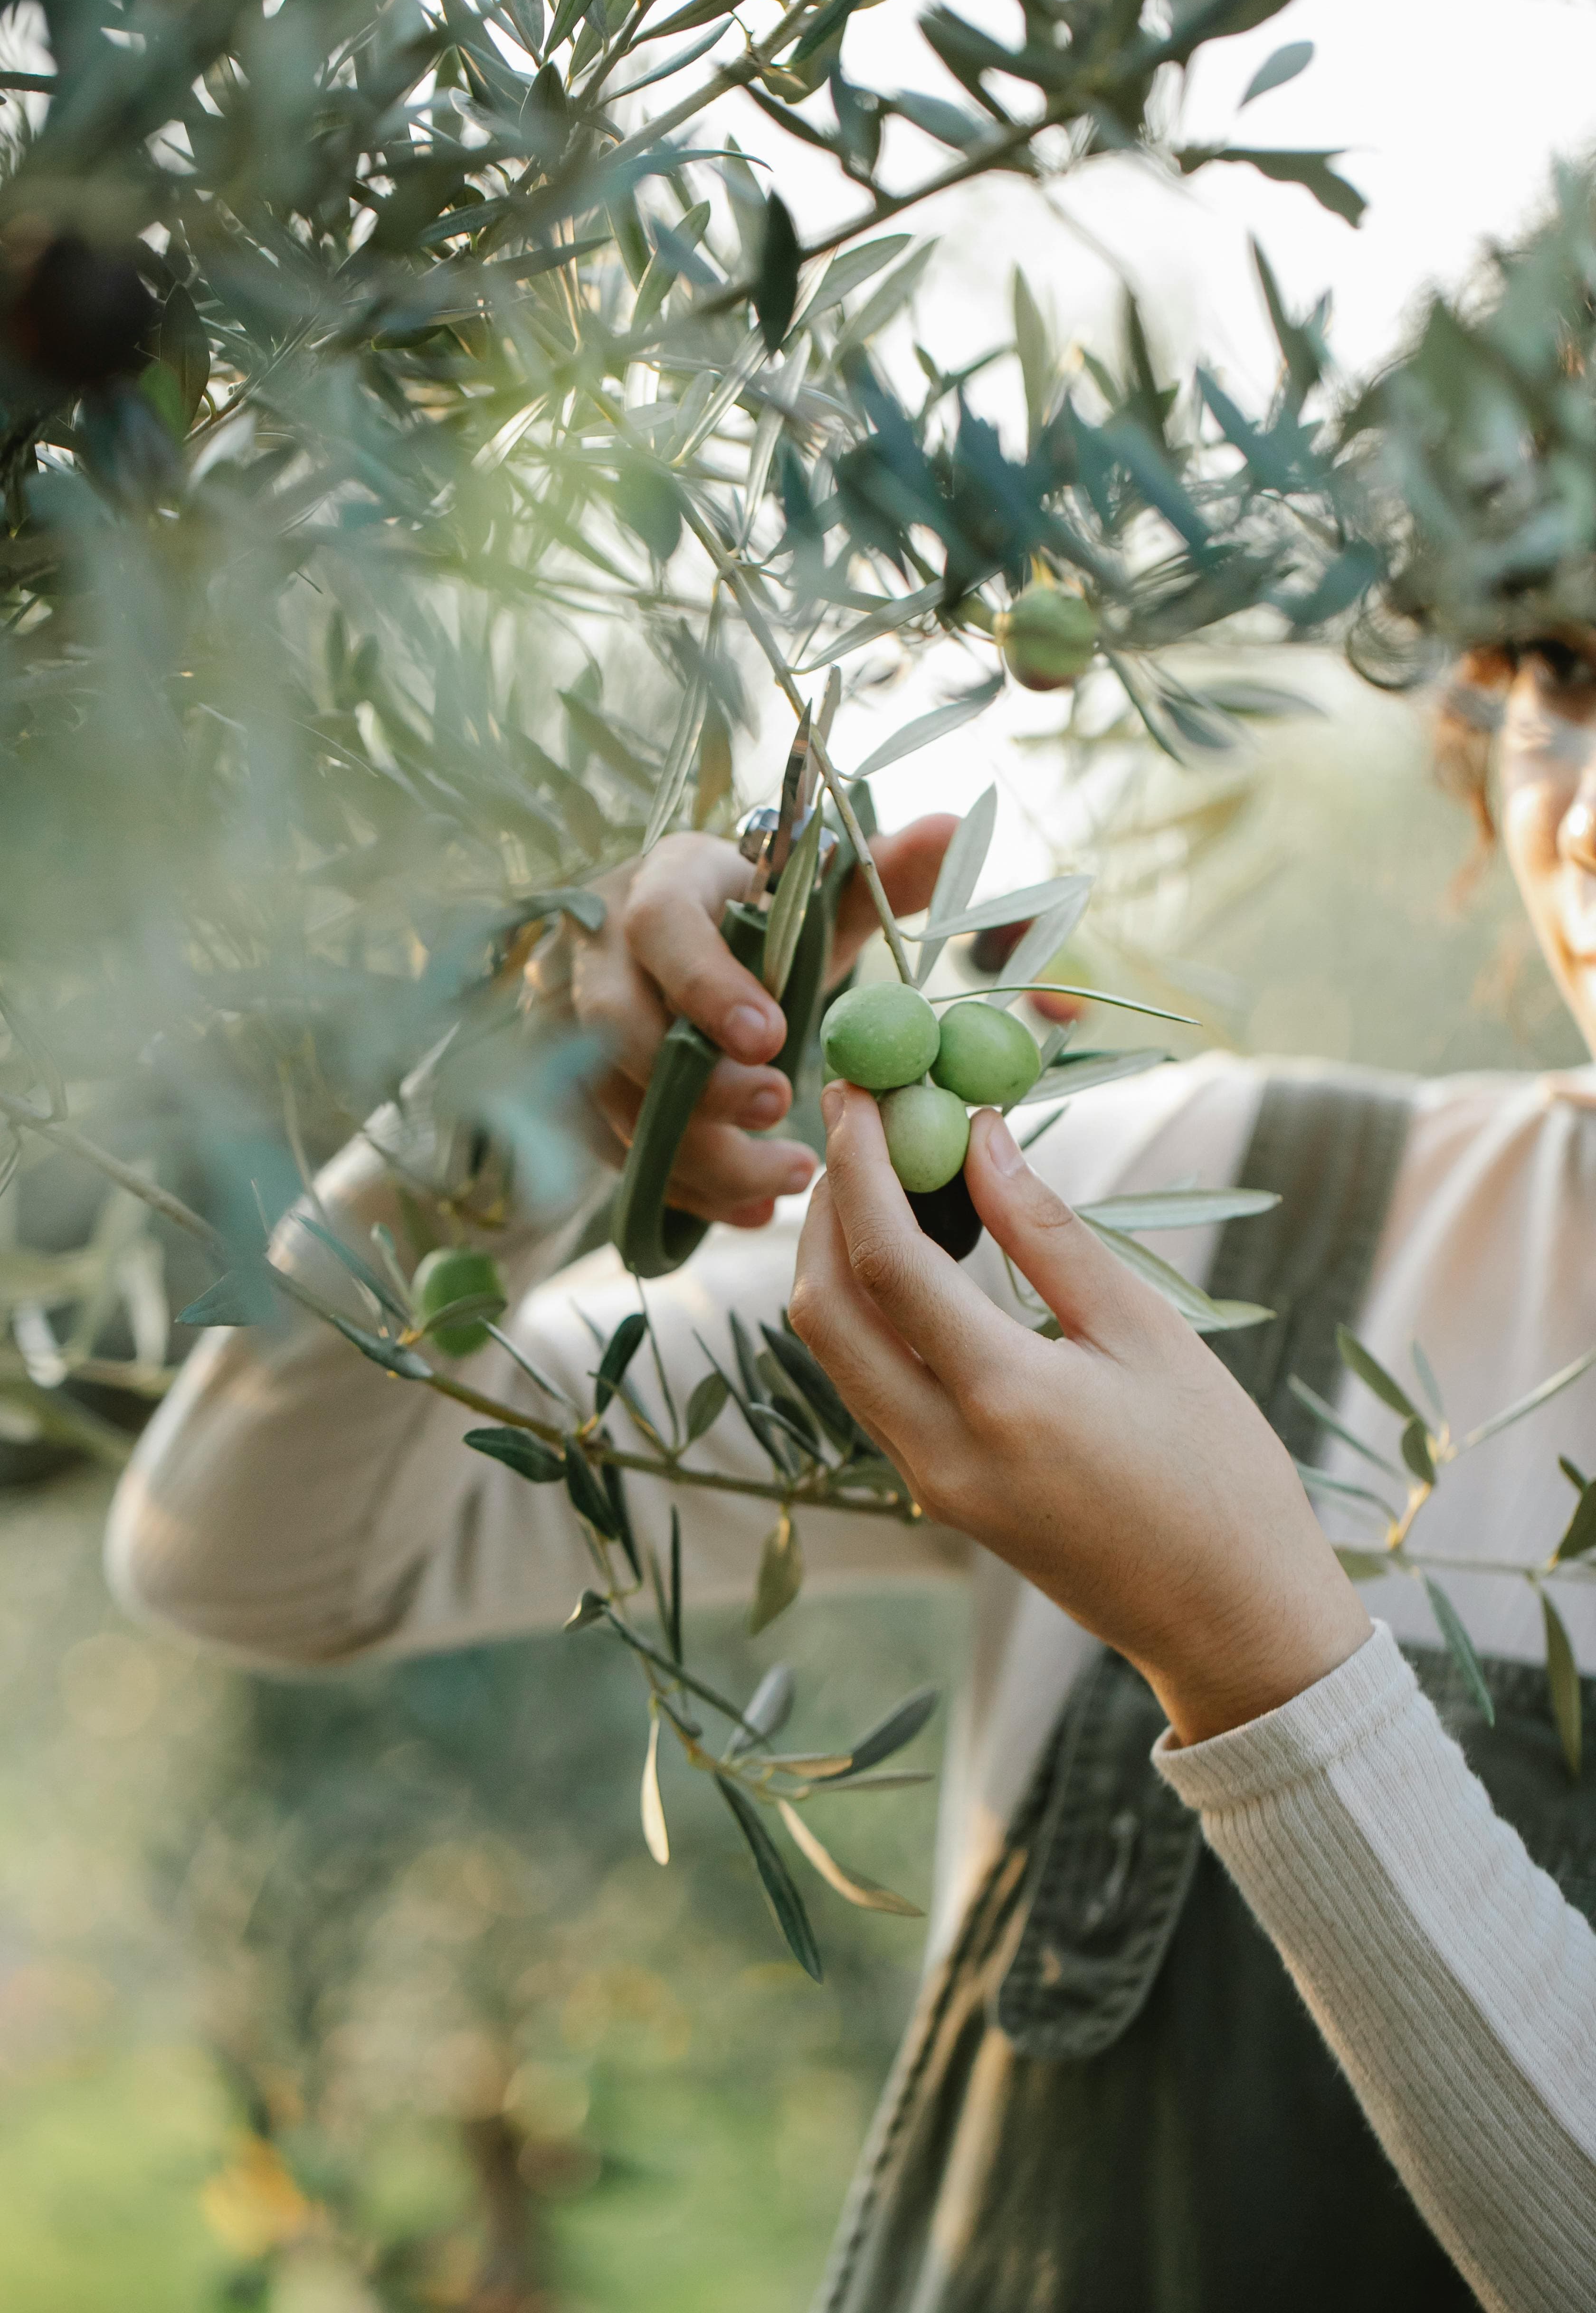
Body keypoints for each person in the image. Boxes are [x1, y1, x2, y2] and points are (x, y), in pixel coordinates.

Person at [105, 648, 1596, 2311]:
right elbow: (251, 1558)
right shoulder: (1195, 1211)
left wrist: (1256, 1659)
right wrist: (525, 1114)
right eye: (1569, 670)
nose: (1588, 810)